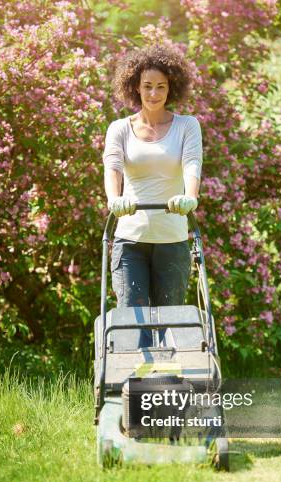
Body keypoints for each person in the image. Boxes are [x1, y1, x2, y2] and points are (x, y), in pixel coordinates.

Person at [102, 44, 202, 346]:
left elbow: (191, 164)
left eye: (161, 87)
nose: (154, 94)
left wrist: (190, 196)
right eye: (148, 86)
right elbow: (113, 167)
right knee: (131, 319)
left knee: (169, 318)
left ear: (172, 88)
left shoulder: (187, 126)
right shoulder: (119, 128)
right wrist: (115, 199)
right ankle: (130, 387)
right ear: (136, 87)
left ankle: (168, 385)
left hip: (172, 238)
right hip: (130, 239)